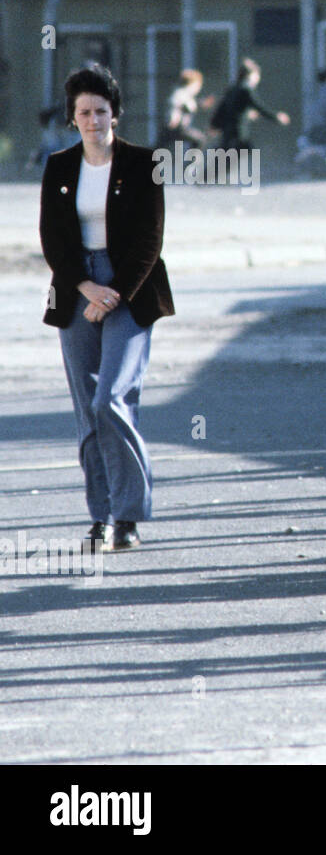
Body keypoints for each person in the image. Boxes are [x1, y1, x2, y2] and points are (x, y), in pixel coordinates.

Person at [38, 64, 174, 552]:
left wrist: (112, 290)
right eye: (83, 113)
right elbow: (52, 238)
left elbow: (149, 239)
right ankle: (101, 517)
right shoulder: (59, 166)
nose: (93, 120)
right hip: (76, 289)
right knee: (86, 411)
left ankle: (129, 516)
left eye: (101, 111)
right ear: (73, 119)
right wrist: (85, 287)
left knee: (111, 399)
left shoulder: (144, 162)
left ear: (115, 114)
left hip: (130, 289)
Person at [209, 58, 290, 150]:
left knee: (228, 154)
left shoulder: (233, 88)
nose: (258, 79)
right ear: (250, 75)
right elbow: (259, 107)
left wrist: (214, 124)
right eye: (257, 75)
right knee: (243, 148)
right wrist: (276, 117)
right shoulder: (246, 89)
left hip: (227, 130)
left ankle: (215, 161)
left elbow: (223, 108)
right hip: (237, 130)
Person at [296, 67, 326, 174]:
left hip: (323, 125)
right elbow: (323, 108)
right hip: (323, 125)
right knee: (322, 148)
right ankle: (302, 159)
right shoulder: (325, 91)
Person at [161, 69, 211, 149]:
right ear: (192, 84)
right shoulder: (182, 93)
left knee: (159, 148)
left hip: (174, 127)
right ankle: (193, 160)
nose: (199, 89)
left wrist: (202, 103)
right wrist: (173, 119)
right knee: (200, 139)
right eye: (198, 85)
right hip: (177, 127)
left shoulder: (183, 93)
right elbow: (178, 106)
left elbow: (191, 104)